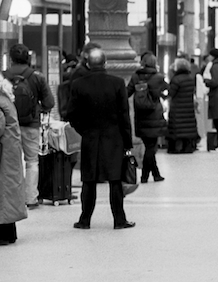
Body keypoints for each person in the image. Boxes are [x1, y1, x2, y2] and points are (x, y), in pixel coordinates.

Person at [68, 48, 135, 230]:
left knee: (89, 181)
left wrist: (84, 130)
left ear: (88, 64)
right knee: (115, 180)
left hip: (90, 137)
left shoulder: (78, 84)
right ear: (105, 63)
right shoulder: (117, 83)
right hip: (114, 137)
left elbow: (71, 114)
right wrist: (127, 141)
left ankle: (85, 219)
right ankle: (119, 220)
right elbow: (124, 115)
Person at [3, 43, 55, 209]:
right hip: (31, 125)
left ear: (10, 59)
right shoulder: (37, 77)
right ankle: (31, 199)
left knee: (8, 163)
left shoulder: (3, 76)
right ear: (29, 58)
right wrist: (38, 109)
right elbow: (49, 102)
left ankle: (10, 199)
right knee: (32, 161)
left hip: (6, 126)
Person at [127, 52, 169, 183]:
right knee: (151, 147)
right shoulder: (159, 77)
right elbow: (168, 91)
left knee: (149, 145)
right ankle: (145, 176)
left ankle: (155, 174)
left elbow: (127, 92)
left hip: (141, 116)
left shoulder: (135, 77)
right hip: (154, 115)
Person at [0, 76, 26, 245]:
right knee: (7, 194)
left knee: (3, 194)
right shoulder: (5, 100)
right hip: (9, 154)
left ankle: (3, 235)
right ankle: (9, 234)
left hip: (3, 156)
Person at [166, 57, 199, 154]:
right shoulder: (190, 78)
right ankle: (187, 147)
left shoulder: (176, 79)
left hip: (177, 108)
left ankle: (175, 148)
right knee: (187, 128)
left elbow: (171, 93)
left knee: (177, 128)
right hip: (188, 108)